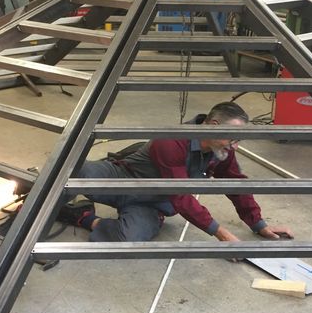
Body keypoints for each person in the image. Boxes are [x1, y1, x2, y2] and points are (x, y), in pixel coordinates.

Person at [62, 101, 293, 243]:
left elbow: (234, 183)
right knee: (74, 171)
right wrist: (220, 233)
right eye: (233, 138)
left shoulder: (221, 150)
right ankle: (44, 204)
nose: (236, 146)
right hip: (123, 179)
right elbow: (181, 195)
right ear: (213, 126)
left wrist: (258, 224)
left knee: (128, 238)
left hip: (153, 203)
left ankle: (82, 216)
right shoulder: (171, 141)